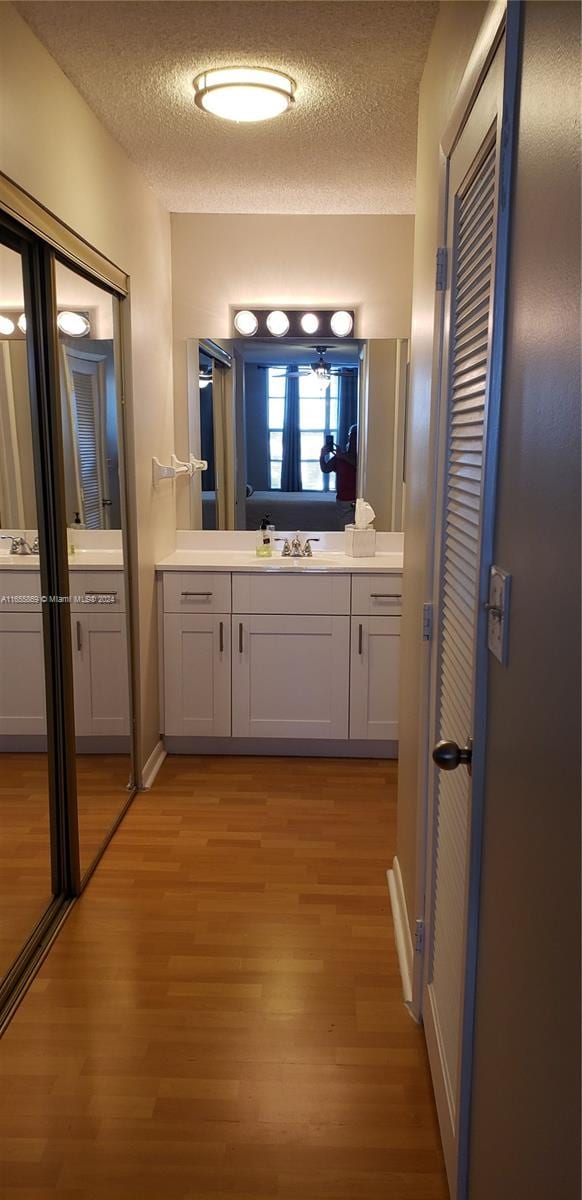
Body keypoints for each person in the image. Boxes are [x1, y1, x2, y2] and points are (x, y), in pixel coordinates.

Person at [319, 424, 357, 526]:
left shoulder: (360, 458)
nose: (351, 439)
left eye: (354, 436)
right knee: (343, 529)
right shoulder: (340, 457)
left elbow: (358, 466)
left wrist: (343, 456)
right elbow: (325, 469)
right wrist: (322, 456)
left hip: (355, 501)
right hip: (342, 500)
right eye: (350, 436)